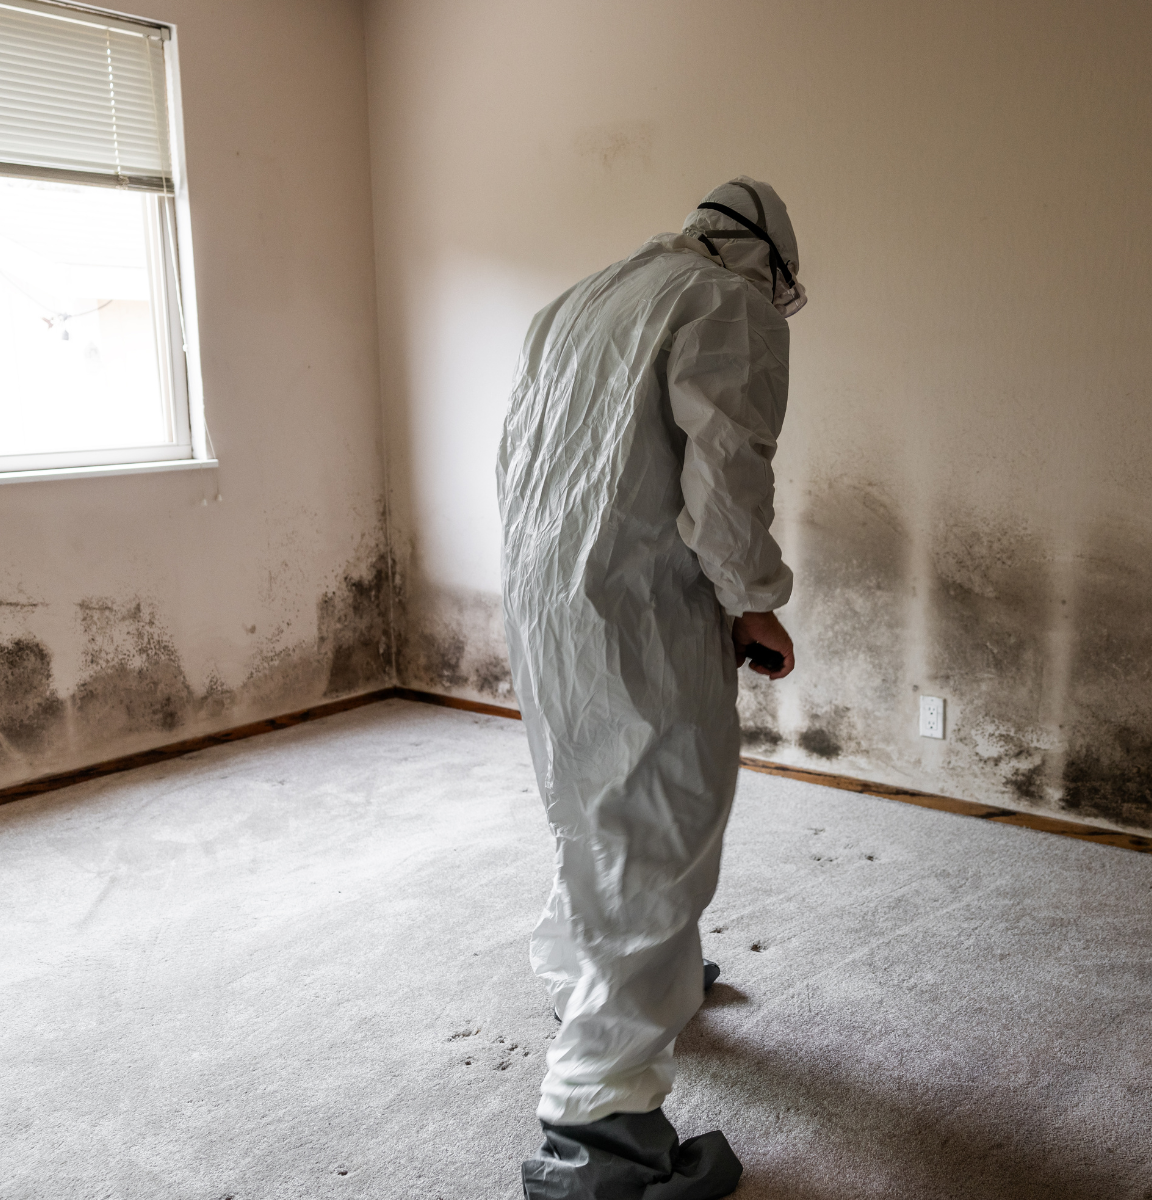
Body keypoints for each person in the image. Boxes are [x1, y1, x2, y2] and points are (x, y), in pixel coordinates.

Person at [497, 177, 807, 1199]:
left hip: (549, 595)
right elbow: (726, 468)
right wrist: (750, 599)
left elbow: (523, 456)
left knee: (591, 804)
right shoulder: (726, 304)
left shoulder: (580, 300)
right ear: (765, 259)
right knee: (663, 829)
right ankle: (602, 1132)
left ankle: (594, 977)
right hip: (638, 605)